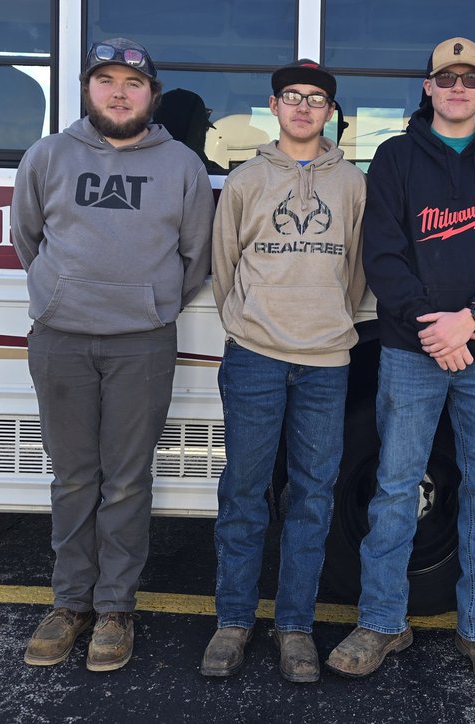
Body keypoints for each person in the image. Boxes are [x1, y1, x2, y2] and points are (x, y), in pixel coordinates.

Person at [326, 38, 475, 697]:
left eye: (469, 78)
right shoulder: (394, 160)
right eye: (445, 77)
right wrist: (434, 324)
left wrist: (470, 318)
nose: (457, 87)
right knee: (395, 488)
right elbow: (385, 253)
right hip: (411, 349)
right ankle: (380, 623)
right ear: (428, 86)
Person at [12, 37, 215, 672]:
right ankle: (69, 603)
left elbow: (196, 257)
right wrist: (60, 297)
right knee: (73, 476)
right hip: (61, 340)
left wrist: (150, 305)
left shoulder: (181, 164)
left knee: (126, 481)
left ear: (151, 95)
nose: (119, 92)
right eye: (106, 80)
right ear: (86, 89)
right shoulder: (48, 155)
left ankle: (115, 610)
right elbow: (27, 238)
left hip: (141, 343)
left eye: (133, 82)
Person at [201, 59, 366, 684]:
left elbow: (353, 274)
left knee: (312, 496)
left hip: (326, 360)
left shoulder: (351, 184)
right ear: (274, 106)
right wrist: (252, 326)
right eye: (292, 97)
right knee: (244, 493)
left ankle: (294, 626)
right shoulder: (244, 181)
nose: (303, 107)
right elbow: (224, 268)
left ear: (330, 112)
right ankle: (233, 621)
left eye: (316, 99)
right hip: (255, 356)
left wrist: (323, 323)